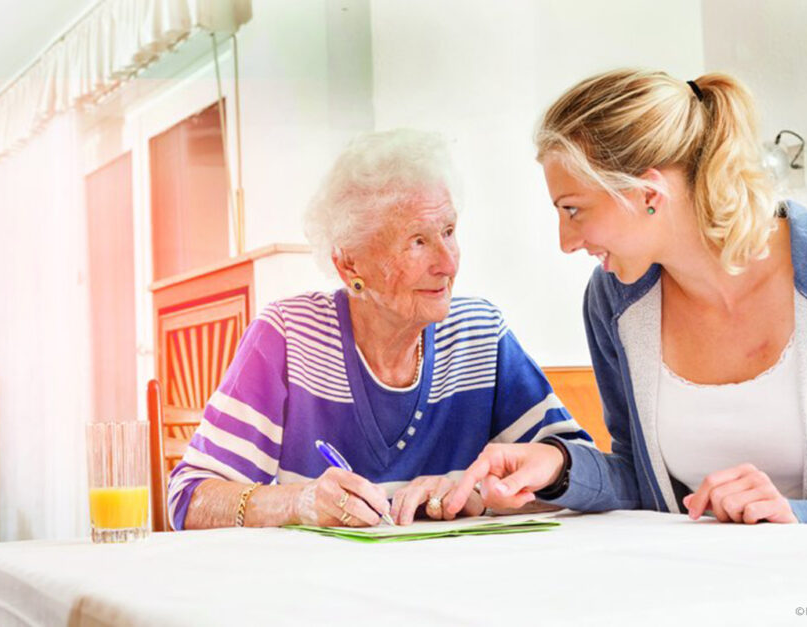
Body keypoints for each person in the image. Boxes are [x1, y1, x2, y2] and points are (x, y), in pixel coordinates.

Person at [447, 69, 807, 526]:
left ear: (647, 194)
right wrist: (559, 468)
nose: (566, 240)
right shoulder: (615, 303)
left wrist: (805, 516)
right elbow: (641, 476)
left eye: (573, 209)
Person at [168, 128, 593, 529]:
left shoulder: (480, 335)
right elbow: (189, 498)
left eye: (448, 231)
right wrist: (298, 502)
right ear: (349, 263)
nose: (447, 263)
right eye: (417, 241)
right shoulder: (287, 337)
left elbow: (582, 473)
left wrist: (478, 493)